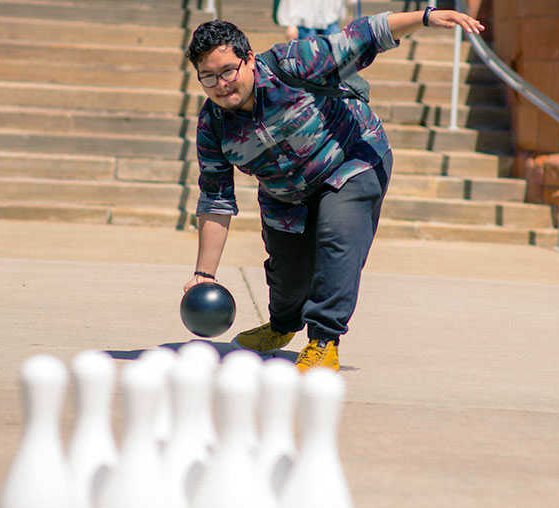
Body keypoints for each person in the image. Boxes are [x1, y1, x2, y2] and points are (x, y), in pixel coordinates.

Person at [183, 7, 484, 372]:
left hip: (350, 159)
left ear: (248, 60)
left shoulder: (289, 64)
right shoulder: (212, 125)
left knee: (337, 235)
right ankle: (281, 326)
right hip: (285, 194)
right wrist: (205, 275)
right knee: (287, 277)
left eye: (228, 71)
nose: (221, 84)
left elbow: (361, 36)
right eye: (208, 77)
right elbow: (216, 199)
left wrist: (425, 17)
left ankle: (324, 340)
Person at [274, 0, 354, 41]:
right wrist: (290, 24)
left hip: (330, 21)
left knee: (335, 57)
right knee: (310, 58)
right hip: (304, 23)